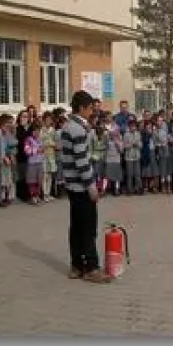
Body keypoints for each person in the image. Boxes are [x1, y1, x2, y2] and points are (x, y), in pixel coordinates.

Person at [61, 90, 110, 283]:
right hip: (81, 185)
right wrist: (91, 187)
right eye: (90, 108)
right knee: (88, 227)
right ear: (81, 108)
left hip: (72, 184)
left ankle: (76, 265)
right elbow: (81, 162)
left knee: (76, 226)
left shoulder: (69, 126)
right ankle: (91, 267)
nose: (92, 112)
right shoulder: (78, 130)